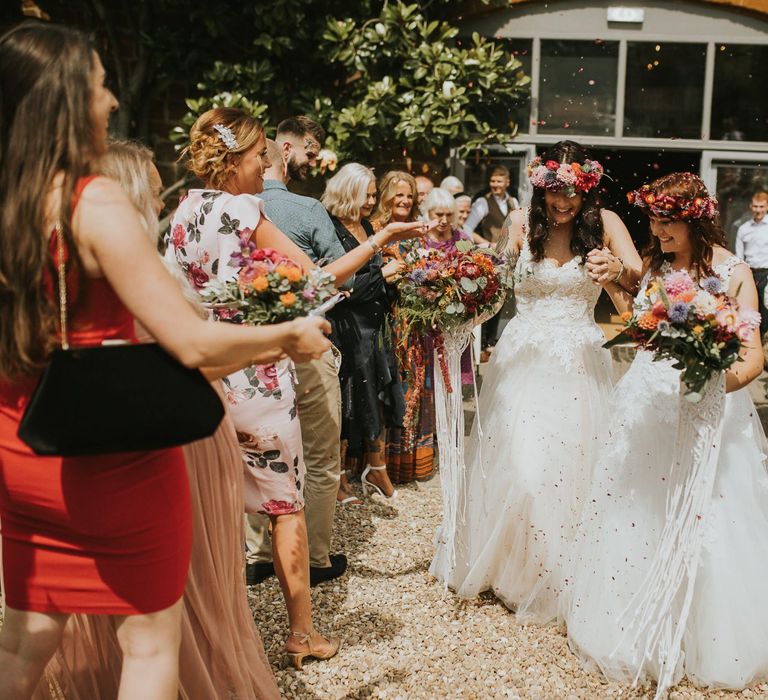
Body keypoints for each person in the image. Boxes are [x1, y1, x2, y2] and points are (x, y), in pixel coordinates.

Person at [0, 22, 329, 699]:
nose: (112, 100)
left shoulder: (10, 201)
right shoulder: (90, 201)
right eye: (97, 85)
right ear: (63, 100)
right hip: (110, 458)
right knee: (149, 644)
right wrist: (289, 337)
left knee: (20, 640)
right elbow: (191, 341)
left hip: (21, 446)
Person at [167, 107, 424, 666]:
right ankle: (302, 633)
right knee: (285, 505)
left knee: (206, 504)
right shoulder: (244, 208)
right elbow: (317, 278)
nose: (265, 169)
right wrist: (380, 238)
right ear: (234, 160)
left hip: (202, 370)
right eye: (259, 158)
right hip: (256, 372)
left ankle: (198, 634)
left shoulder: (182, 212)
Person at [35, 139, 282, 700]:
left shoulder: (116, 265)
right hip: (171, 446)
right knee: (177, 595)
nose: (159, 203)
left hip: (182, 438)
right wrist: (276, 338)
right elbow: (189, 349)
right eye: (149, 190)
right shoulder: (130, 270)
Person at [563, 173, 768, 697]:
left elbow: (753, 354)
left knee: (709, 510)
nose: (658, 230)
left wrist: (715, 388)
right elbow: (640, 324)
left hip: (708, 402)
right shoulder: (656, 263)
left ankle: (701, 634)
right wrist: (611, 283)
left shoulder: (735, 271)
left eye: (667, 220)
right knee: (636, 502)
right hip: (648, 398)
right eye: (653, 220)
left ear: (695, 218)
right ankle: (635, 627)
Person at [430, 141, 641, 624]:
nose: (564, 204)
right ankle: (513, 566)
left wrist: (617, 270)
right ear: (540, 187)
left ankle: (559, 574)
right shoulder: (521, 223)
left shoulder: (605, 224)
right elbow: (493, 284)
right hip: (521, 358)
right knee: (521, 468)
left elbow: (639, 280)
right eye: (555, 194)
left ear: (587, 190)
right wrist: (451, 304)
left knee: (571, 469)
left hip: (578, 361)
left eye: (573, 194)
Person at [245, 132, 350, 587]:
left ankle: (258, 555)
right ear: (280, 162)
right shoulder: (307, 209)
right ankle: (317, 557)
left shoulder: (225, 211)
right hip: (304, 342)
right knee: (322, 452)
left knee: (259, 444)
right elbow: (337, 274)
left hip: (248, 349)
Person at [323, 164, 426, 500]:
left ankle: (376, 469)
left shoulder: (365, 225)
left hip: (375, 323)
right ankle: (338, 476)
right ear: (347, 192)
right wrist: (384, 273)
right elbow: (346, 286)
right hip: (349, 326)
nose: (371, 201)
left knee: (375, 399)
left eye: (371, 194)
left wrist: (393, 280)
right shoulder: (333, 228)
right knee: (349, 402)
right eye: (366, 194)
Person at [463, 165, 521, 360]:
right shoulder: (482, 202)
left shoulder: (513, 201)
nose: (495, 185)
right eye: (492, 181)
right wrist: (488, 244)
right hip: (488, 258)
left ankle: (491, 343)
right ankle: (481, 345)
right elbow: (467, 229)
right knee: (488, 298)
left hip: (508, 259)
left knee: (502, 297)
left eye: (499, 181)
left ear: (507, 182)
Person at [735, 191, 768, 338]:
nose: (758, 210)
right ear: (750, 206)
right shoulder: (744, 229)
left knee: (765, 310)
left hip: (766, 274)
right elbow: (739, 257)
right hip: (749, 274)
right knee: (748, 308)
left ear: (767, 207)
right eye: (755, 206)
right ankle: (749, 340)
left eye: (761, 206)